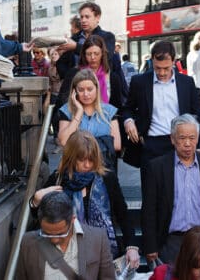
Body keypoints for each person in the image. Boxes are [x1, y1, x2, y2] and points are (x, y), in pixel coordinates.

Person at [29, 131, 139, 270]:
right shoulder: (58, 180)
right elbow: (41, 219)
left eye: (91, 159)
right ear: (71, 158)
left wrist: (132, 246)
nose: (87, 165)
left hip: (103, 255)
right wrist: (35, 201)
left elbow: (123, 214)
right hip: (65, 258)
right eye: (82, 160)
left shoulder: (106, 178)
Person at [141, 114, 200, 265]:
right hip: (172, 240)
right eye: (182, 138)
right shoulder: (157, 167)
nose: (187, 143)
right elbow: (149, 210)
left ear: (198, 139)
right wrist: (150, 246)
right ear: (173, 139)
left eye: (192, 138)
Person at [122, 40, 200, 172]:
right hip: (151, 145)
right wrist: (128, 121)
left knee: (178, 190)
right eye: (157, 68)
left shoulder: (186, 82)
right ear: (152, 61)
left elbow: (198, 116)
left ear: (174, 61)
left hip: (180, 143)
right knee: (151, 191)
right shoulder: (140, 82)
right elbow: (127, 108)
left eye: (166, 68)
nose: (161, 73)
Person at [17, 190, 116, 280]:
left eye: (61, 234)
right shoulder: (28, 242)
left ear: (72, 219)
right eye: (47, 234)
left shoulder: (98, 238)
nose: (54, 240)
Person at [57, 69, 121, 170]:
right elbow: (64, 141)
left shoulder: (109, 111)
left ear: (97, 88)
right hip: (75, 169)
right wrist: (78, 112)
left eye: (90, 89)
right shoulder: (66, 110)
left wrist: (80, 145)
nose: (86, 94)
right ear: (74, 91)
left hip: (105, 167)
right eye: (81, 90)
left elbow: (117, 144)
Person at [58, 35, 127, 110]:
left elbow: (117, 108)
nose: (93, 57)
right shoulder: (73, 74)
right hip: (77, 118)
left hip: (106, 119)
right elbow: (63, 102)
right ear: (84, 55)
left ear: (102, 54)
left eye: (96, 53)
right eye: (89, 54)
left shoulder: (113, 77)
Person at [59, 1, 122, 76]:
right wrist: (73, 78)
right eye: (81, 17)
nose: (83, 20)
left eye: (87, 17)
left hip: (100, 83)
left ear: (97, 17)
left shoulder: (107, 37)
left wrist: (76, 47)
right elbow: (60, 64)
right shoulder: (74, 38)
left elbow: (104, 57)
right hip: (77, 86)